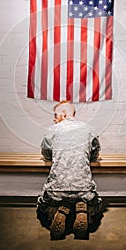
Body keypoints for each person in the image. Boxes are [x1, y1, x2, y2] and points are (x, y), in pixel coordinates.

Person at [37, 100, 103, 240]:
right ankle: (83, 209)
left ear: (65, 113)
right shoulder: (89, 129)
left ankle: (58, 210)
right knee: (96, 204)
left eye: (56, 115)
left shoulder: (52, 130)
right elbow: (95, 154)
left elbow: (46, 154)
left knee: (42, 205)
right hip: (84, 189)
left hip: (57, 190)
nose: (54, 119)